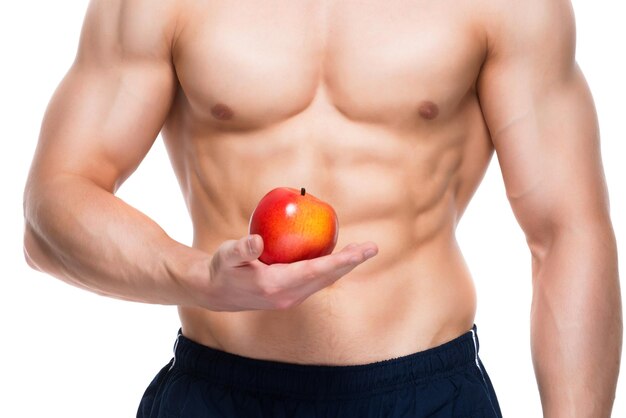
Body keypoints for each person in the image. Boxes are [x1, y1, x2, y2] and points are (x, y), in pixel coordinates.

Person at [23, 0, 622, 416]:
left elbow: (566, 230)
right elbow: (50, 209)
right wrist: (197, 276)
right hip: (219, 392)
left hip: (426, 395)